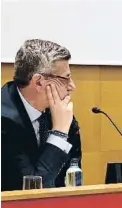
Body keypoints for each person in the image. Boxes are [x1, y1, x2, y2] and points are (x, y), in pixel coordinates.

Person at [1, 39, 82, 191]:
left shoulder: (58, 112)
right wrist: (59, 134)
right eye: (66, 78)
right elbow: (31, 192)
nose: (72, 86)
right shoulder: (4, 122)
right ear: (38, 82)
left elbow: (72, 180)